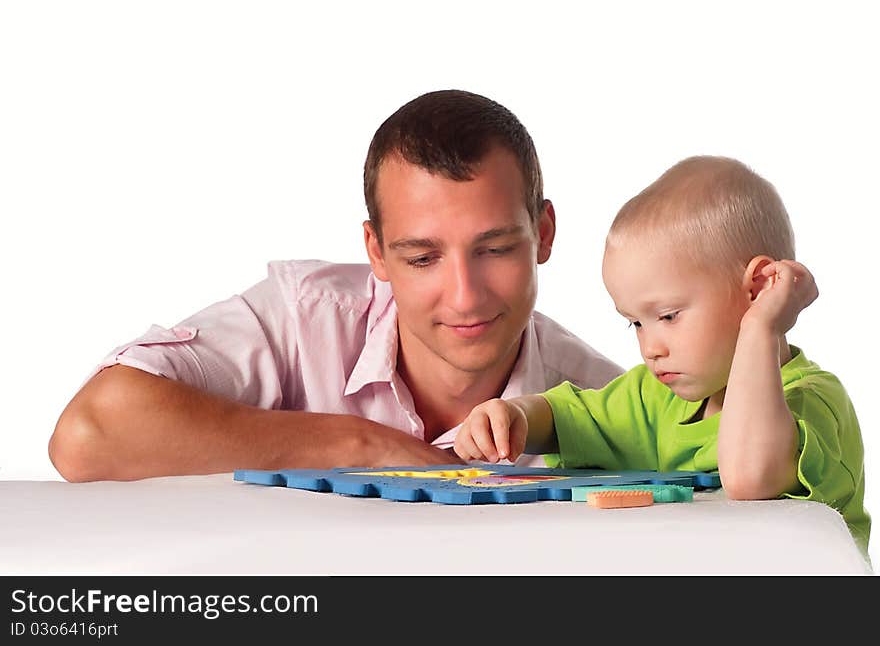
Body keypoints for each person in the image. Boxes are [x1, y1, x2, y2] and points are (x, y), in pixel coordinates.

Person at [48, 89, 623, 482]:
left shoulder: (609, 402)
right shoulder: (303, 320)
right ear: (376, 251)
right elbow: (89, 432)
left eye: (494, 249)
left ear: (544, 234)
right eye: (422, 257)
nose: (465, 295)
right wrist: (360, 444)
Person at [454, 155, 871, 555]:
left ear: (758, 290)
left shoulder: (815, 402)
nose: (650, 347)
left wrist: (760, 327)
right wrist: (516, 416)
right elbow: (568, 417)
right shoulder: (659, 398)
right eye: (635, 323)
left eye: (669, 316)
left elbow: (751, 477)